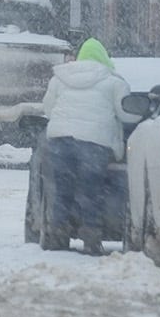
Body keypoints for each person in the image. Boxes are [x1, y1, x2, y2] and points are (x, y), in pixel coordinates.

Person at [37, 36, 129, 251]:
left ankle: (59, 235)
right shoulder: (114, 82)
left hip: (61, 141)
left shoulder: (59, 79)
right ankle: (91, 237)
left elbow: (48, 109)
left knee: (62, 188)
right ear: (103, 58)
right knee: (91, 190)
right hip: (95, 143)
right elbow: (126, 113)